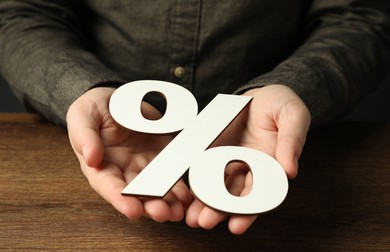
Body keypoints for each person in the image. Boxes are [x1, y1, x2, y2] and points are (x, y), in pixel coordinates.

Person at [1, 1, 390, 235]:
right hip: (109, 145)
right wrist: (82, 89)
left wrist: (297, 86)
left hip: (285, 157)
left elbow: (359, 16)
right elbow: (20, 13)